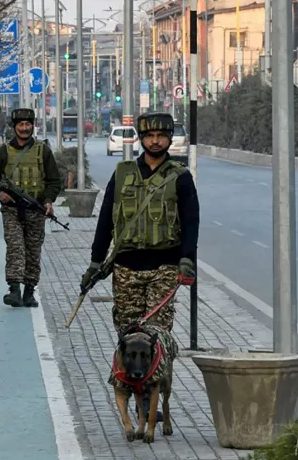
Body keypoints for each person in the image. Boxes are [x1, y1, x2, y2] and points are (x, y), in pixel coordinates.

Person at [81, 112, 199, 423]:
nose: (156, 140)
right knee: (129, 336)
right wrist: (96, 260)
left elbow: (190, 221)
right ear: (141, 139)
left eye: (162, 135)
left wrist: (187, 259)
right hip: (126, 269)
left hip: (164, 266)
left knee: (155, 336)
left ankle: (152, 398)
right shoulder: (121, 174)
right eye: (150, 136)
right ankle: (138, 400)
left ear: (169, 138)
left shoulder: (180, 176)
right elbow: (106, 219)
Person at [0, 108, 63, 307]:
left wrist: (48, 200)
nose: (25, 128)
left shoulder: (42, 150)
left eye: (28, 124)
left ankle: (29, 291)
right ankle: (14, 290)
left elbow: (54, 180)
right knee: (15, 246)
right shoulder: (4, 151)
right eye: (21, 125)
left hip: (35, 210)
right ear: (15, 127)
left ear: (32, 126)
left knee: (33, 251)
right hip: (11, 210)